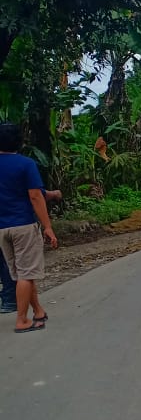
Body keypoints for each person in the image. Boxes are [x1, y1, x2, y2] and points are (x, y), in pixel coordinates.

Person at [0, 122, 58, 332]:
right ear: (20, 141)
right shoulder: (25, 164)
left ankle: (38, 311)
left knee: (21, 273)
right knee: (26, 274)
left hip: (2, 229)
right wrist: (48, 226)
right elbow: (35, 196)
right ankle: (22, 320)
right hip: (23, 225)